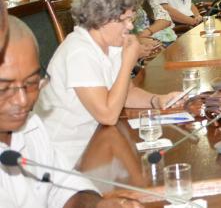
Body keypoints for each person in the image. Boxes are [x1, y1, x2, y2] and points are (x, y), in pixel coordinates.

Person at [0, 17, 148, 207]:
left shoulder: (31, 125)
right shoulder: (78, 50)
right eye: (4, 89)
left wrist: (96, 205)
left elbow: (63, 184)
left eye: (30, 83)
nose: (22, 101)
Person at [36, 0, 180, 166]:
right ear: (101, 18)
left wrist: (156, 100)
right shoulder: (79, 52)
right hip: (64, 158)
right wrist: (128, 62)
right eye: (125, 20)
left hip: (96, 145)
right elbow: (108, 115)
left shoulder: (111, 43)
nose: (130, 26)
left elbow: (126, 93)